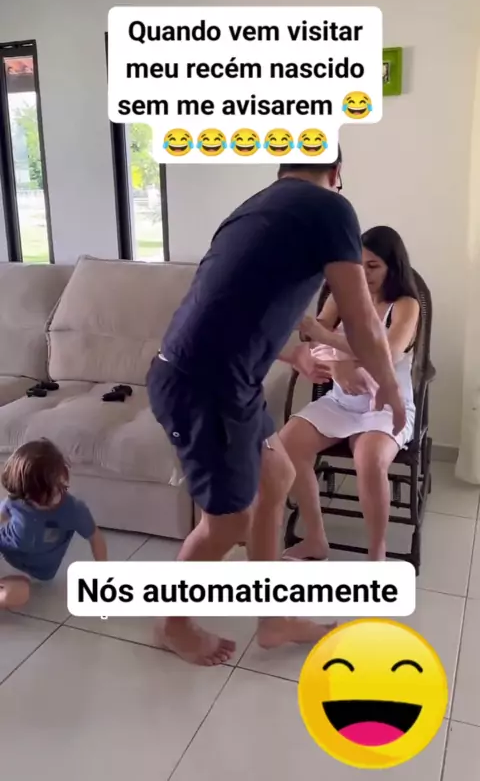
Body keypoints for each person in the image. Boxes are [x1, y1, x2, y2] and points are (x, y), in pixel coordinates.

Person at [147, 149, 406, 666]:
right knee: (227, 522)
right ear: (336, 172)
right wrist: (392, 389)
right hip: (206, 385)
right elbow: (360, 321)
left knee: (278, 474)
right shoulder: (330, 207)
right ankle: (172, 623)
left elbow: (235, 308)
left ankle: (273, 619)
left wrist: (295, 353)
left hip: (227, 380)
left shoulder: (256, 207)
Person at [281, 225, 420, 562]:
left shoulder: (405, 305)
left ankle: (376, 555)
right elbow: (311, 343)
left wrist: (329, 342)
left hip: (386, 405)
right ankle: (316, 539)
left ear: (393, 266)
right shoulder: (342, 296)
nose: (363, 274)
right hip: (340, 402)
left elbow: (387, 354)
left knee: (369, 460)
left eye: (373, 266)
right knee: (287, 444)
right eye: (358, 265)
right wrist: (337, 365)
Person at [0, 439, 107, 609]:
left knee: (18, 594)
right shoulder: (17, 500)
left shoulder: (73, 510)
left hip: (31, 573)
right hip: (4, 552)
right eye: (34, 498)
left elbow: (95, 537)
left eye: (59, 488)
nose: (54, 495)